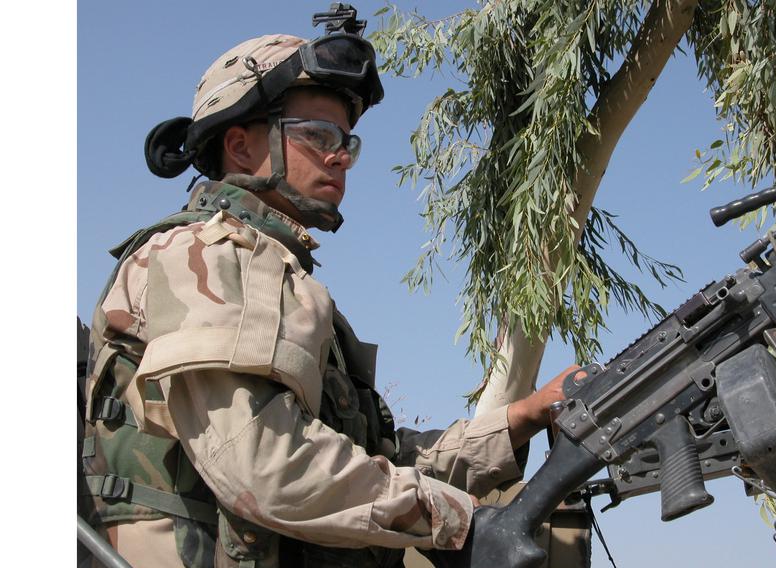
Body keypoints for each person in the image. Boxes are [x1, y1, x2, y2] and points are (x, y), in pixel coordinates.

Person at [79, 10, 574, 568]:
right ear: (240, 147)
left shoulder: (286, 283)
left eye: (347, 142)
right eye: (318, 135)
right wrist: (456, 521)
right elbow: (266, 465)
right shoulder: (205, 254)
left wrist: (525, 416)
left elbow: (376, 461)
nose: (341, 155)